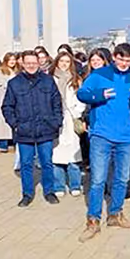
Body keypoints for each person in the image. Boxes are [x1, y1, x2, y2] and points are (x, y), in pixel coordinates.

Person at [76, 43, 130, 241]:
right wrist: (99, 95)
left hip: (125, 137)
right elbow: (82, 94)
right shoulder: (99, 75)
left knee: (122, 179)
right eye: (121, 59)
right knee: (98, 180)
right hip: (101, 136)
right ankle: (93, 220)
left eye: (128, 61)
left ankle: (115, 214)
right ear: (114, 57)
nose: (124, 63)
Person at [1, 50, 62, 207]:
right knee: (26, 164)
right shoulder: (14, 83)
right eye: (28, 63)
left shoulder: (48, 81)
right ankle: (27, 194)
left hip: (45, 128)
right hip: (24, 130)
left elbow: (57, 103)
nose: (31, 66)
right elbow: (7, 106)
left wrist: (56, 122)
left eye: (34, 63)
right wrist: (15, 124)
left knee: (47, 162)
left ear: (39, 63)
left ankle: (49, 191)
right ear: (22, 63)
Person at [50, 52, 87, 197]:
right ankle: (58, 185)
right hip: (56, 119)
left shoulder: (76, 79)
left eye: (67, 61)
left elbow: (81, 99)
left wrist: (77, 112)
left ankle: (75, 184)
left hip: (71, 119)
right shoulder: (50, 78)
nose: (64, 64)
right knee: (56, 156)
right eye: (61, 61)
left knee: (73, 155)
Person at [0, 52, 18, 154]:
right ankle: (3, 144)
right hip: (3, 100)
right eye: (10, 60)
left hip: (16, 101)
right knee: (2, 124)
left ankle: (15, 144)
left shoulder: (18, 72)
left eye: (14, 59)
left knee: (14, 122)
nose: (12, 62)